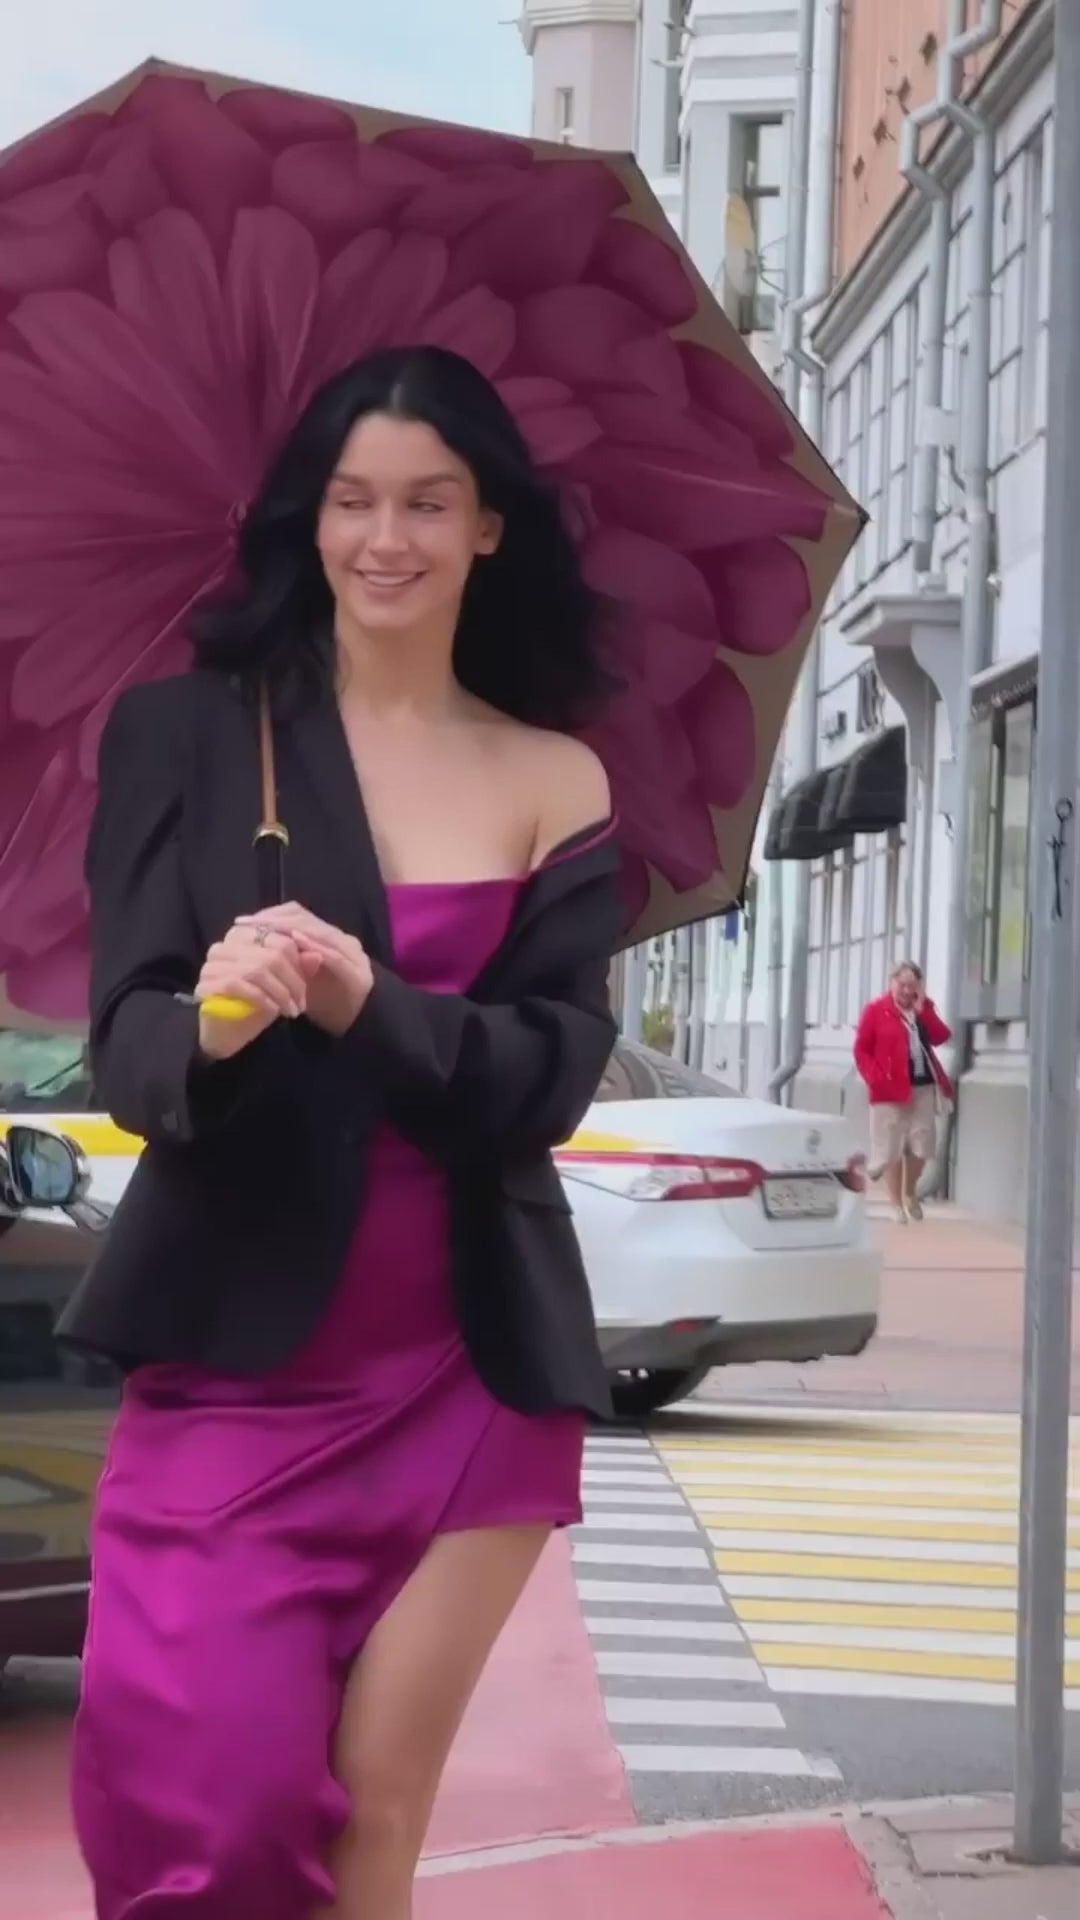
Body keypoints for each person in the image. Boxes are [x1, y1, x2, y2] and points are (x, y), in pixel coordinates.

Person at [57, 346, 624, 1920]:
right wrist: (223, 1020)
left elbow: (548, 1080)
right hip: (230, 1369)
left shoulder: (555, 779)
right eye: (354, 499)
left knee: (372, 1825)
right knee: (212, 1810)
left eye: (430, 502)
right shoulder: (184, 733)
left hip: (470, 1374)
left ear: (489, 526)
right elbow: (127, 1046)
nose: (389, 537)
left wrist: (367, 1001)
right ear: (307, 520)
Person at [854, 961, 952, 1224]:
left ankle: (911, 1192)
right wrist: (875, 1077)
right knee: (891, 1148)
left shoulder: (922, 1009)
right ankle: (896, 1204)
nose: (907, 991)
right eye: (902, 984)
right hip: (888, 1089)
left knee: (922, 1145)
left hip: (921, 1085)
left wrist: (924, 1010)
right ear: (892, 983)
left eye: (912, 985)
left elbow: (941, 1036)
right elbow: (861, 1049)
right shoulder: (876, 1011)